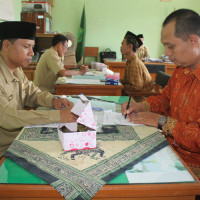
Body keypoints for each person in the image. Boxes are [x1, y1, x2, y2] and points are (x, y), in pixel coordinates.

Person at [121, 9, 200, 179]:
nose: (167, 53)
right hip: (167, 148)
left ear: (193, 41)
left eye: (171, 46)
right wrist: (141, 106)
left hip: (192, 168)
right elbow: (166, 99)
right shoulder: (181, 69)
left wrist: (162, 121)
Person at [0, 21, 78, 157]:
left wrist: (54, 100)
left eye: (32, 47)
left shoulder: (16, 69)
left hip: (20, 138)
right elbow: (7, 117)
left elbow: (32, 94)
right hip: (5, 149)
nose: (31, 53)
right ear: (7, 45)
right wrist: (58, 116)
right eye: (26, 47)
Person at [120, 31, 154, 101]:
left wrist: (121, 87)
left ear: (130, 47)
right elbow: (126, 81)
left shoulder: (135, 64)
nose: (120, 47)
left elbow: (136, 87)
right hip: (134, 96)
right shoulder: (129, 61)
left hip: (141, 99)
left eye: (122, 44)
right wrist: (116, 82)